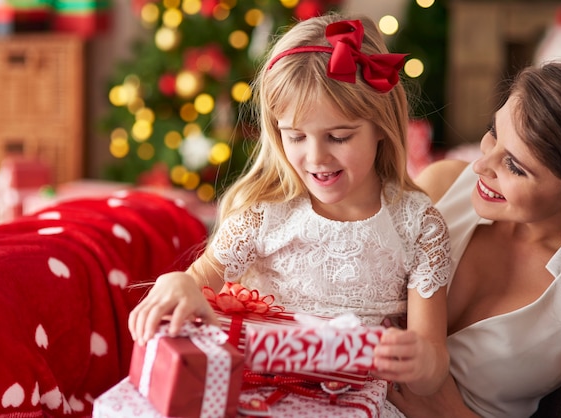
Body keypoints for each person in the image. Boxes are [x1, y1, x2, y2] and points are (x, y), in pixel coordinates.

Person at [128, 13, 452, 400]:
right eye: (296, 136)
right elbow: (200, 278)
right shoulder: (266, 212)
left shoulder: (418, 225)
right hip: (256, 394)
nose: (316, 157)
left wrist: (421, 362)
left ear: (381, 124)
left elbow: (432, 368)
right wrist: (178, 282)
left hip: (353, 403)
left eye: (338, 136)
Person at [382, 59, 561, 417]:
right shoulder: (442, 185)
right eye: (493, 131)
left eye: (514, 166)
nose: (481, 165)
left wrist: (451, 413)